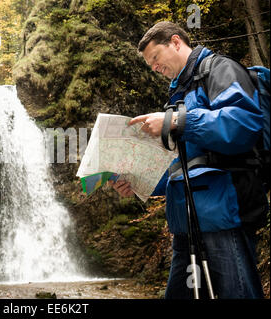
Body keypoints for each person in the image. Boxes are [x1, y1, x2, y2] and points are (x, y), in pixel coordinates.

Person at [109, 21, 268, 299]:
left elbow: (242, 124)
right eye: (150, 65)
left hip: (225, 216)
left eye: (156, 58)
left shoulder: (220, 69)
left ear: (175, 42)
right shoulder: (178, 95)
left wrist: (176, 121)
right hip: (186, 225)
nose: (155, 68)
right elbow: (180, 165)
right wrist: (136, 182)